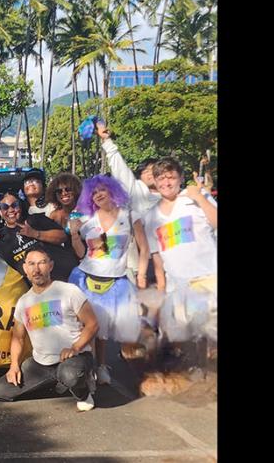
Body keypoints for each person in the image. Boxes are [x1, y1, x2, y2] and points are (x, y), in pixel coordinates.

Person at [0, 248, 99, 411]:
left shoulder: (68, 291)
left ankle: (82, 391)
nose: (36, 269)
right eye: (31, 264)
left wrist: (75, 348)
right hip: (41, 364)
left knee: (70, 374)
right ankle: (60, 381)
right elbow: (18, 338)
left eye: (42, 263)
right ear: (25, 269)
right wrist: (14, 366)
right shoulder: (23, 302)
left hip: (75, 357)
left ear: (50, 266)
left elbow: (93, 324)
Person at [67, 174, 150, 385]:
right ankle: (91, 369)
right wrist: (75, 234)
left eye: (101, 190)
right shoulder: (87, 221)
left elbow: (144, 248)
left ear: (112, 190)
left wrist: (141, 274)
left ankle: (102, 366)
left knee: (105, 330)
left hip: (117, 280)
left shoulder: (131, 215)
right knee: (89, 327)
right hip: (86, 278)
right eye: (93, 193)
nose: (98, 195)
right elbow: (80, 253)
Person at [141, 157, 217, 354]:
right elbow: (158, 260)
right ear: (155, 182)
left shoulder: (194, 199)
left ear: (180, 178)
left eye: (171, 177)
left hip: (209, 280)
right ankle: (202, 374)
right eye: (161, 179)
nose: (166, 183)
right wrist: (162, 291)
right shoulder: (151, 217)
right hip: (179, 286)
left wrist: (200, 197)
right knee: (193, 338)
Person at [97, 122, 160, 284]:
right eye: (146, 171)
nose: (151, 174)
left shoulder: (172, 197)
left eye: (155, 171)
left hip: (170, 257)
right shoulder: (135, 191)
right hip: (141, 260)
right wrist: (107, 141)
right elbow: (120, 169)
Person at [0, 191, 77, 283]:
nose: (10, 210)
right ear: (0, 212)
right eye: (5, 207)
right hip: (43, 287)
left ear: (20, 206)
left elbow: (62, 236)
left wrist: (35, 233)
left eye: (14, 205)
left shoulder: (34, 220)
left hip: (70, 277)